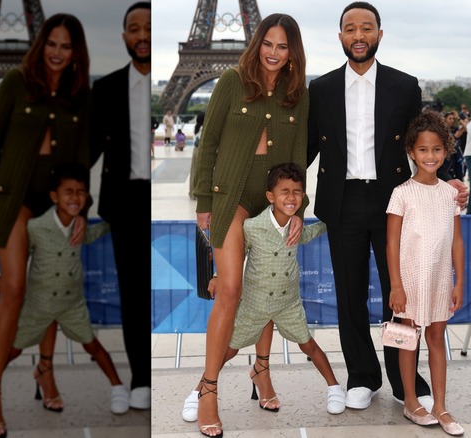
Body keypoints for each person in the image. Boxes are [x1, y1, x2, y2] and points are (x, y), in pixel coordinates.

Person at [307, 2, 467, 412]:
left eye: (367, 28)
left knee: (403, 296)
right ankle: (362, 376)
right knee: (350, 296)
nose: (358, 35)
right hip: (341, 202)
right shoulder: (321, 89)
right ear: (340, 36)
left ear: (379, 34)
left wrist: (446, 178)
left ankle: (403, 380)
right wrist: (276, 191)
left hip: (394, 203)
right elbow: (306, 146)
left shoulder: (404, 85)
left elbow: (423, 138)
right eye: (350, 28)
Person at [188, 13, 309, 437]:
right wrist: (204, 200)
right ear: (257, 44)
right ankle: (208, 388)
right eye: (268, 44)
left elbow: (297, 155)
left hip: (274, 200)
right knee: (230, 290)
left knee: (267, 285)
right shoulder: (231, 81)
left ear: (292, 52)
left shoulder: (298, 93)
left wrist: (298, 207)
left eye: (283, 46)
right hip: (233, 196)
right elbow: (208, 143)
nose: (274, 53)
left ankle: (261, 370)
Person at [0, 13, 92, 437]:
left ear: (75, 52)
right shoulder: (15, 83)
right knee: (15, 290)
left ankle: (45, 369)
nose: (57, 53)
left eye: (66, 46)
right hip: (15, 198)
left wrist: (82, 208)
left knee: (50, 286)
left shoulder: (79, 94)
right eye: (52, 44)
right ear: (41, 45)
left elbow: (81, 158)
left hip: (57, 202)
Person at [0, 164, 130, 416]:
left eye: (81, 192)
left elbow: (95, 233)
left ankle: (118, 386)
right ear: (54, 196)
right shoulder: (36, 227)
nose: (75, 197)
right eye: (68, 191)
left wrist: (117, 221)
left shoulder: (80, 228)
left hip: (72, 304)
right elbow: (18, 255)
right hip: (39, 304)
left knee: (93, 345)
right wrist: (1, 275)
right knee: (13, 349)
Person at [220, 163, 346, 417]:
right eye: (284, 192)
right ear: (270, 196)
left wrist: (335, 219)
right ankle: (202, 388)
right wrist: (216, 275)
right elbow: (235, 255)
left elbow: (310, 233)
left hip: (288, 303)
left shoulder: (295, 227)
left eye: (297, 192)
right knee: (229, 349)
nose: (291, 197)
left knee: (309, 345)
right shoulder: (252, 227)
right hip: (255, 303)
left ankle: (334, 388)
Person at [386, 112, 465, 436]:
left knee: (436, 338)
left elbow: (457, 241)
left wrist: (460, 281)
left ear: (446, 150)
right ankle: (410, 401)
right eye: (423, 149)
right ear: (411, 151)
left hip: (439, 279)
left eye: (436, 149)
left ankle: (440, 406)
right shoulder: (401, 193)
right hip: (409, 279)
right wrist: (396, 285)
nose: (430, 156)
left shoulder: (450, 194)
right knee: (408, 339)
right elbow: (391, 243)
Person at [90, 1, 152, 411]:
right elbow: (88, 149)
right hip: (125, 201)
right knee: (132, 294)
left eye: (149, 26)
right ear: (125, 36)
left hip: (157, 198)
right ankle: (140, 377)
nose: (142, 35)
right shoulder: (106, 89)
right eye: (134, 28)